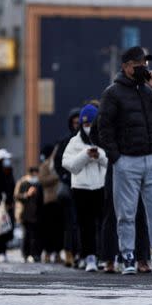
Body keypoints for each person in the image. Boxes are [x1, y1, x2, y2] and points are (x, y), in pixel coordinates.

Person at [98, 46, 152, 275]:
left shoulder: (148, 90)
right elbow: (103, 129)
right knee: (126, 213)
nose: (144, 68)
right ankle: (127, 255)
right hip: (127, 160)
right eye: (138, 64)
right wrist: (116, 157)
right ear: (126, 66)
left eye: (145, 64)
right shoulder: (113, 93)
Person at [63, 104, 108, 273]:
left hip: (101, 186)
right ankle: (88, 256)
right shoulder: (74, 142)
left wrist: (99, 156)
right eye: (86, 125)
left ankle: (103, 256)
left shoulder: (104, 139)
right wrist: (85, 155)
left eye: (91, 124)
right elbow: (68, 164)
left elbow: (111, 162)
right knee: (85, 224)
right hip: (81, 188)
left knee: (102, 224)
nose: (88, 128)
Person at [54, 108, 81, 267]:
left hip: (82, 185)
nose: (77, 125)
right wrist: (64, 176)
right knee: (70, 222)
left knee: (79, 222)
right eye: (75, 122)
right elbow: (58, 162)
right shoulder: (65, 141)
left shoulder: (86, 139)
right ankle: (70, 252)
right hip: (69, 185)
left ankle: (78, 252)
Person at [38, 146, 64, 263]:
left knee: (59, 230)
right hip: (49, 201)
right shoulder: (46, 165)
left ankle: (57, 252)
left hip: (60, 200)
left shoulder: (62, 162)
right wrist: (56, 176)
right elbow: (42, 180)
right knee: (48, 230)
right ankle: (48, 252)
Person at [0, 149, 16, 262]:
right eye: (6, 159)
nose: (8, 161)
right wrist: (0, 201)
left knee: (6, 228)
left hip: (8, 205)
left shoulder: (9, 172)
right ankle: (0, 251)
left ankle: (3, 251)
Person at [15, 166, 44, 263]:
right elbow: (16, 196)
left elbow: (41, 200)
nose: (35, 176)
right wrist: (27, 194)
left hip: (36, 215)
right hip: (25, 214)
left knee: (36, 236)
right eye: (33, 174)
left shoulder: (39, 184)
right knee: (26, 235)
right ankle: (25, 254)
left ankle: (35, 254)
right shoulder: (22, 183)